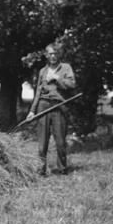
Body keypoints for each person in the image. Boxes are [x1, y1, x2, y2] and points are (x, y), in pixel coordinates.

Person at [28, 42, 76, 176]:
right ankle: (41, 170)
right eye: (50, 54)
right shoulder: (42, 71)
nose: (53, 56)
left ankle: (62, 169)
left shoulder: (66, 68)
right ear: (46, 56)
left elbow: (72, 84)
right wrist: (32, 111)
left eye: (55, 53)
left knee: (60, 141)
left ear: (58, 54)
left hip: (59, 106)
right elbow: (38, 92)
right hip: (43, 105)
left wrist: (57, 78)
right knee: (42, 143)